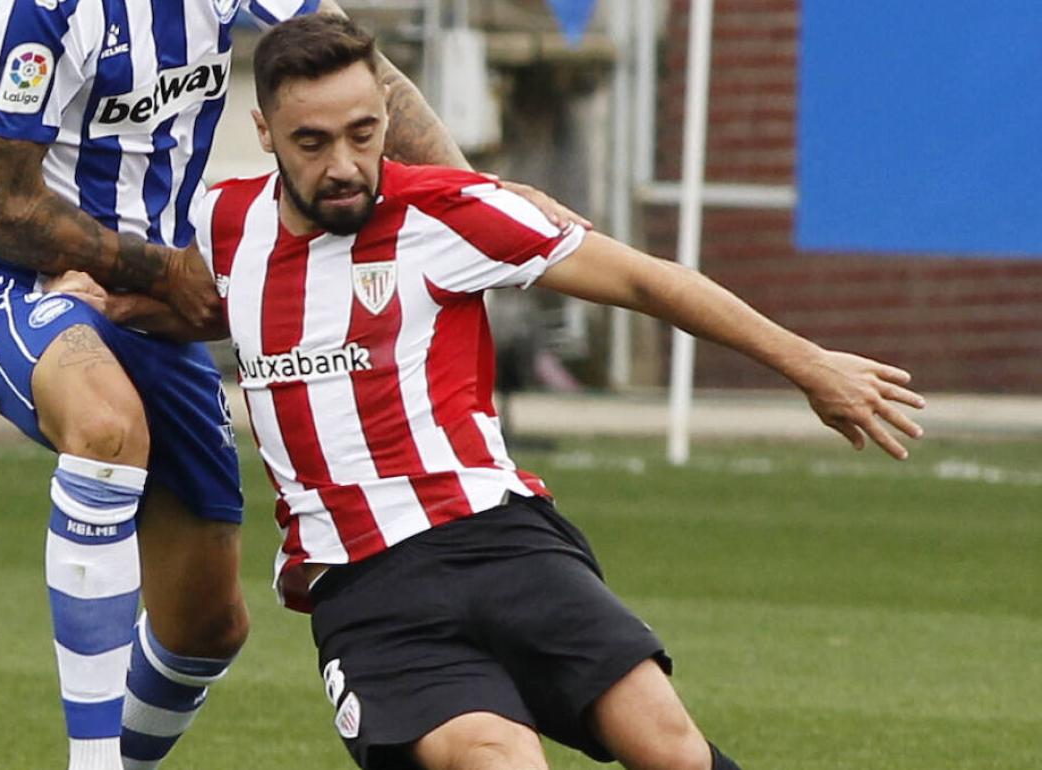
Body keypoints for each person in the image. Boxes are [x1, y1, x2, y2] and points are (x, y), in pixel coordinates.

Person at [53, 14, 925, 770]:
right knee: (500, 759)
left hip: (502, 541)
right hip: (366, 590)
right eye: (313, 143)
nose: (347, 164)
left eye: (364, 133)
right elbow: (198, 310)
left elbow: (652, 283)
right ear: (267, 132)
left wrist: (813, 366)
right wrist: (81, 308)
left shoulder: (453, 213)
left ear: (385, 117)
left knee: (666, 745)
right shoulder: (222, 223)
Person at [0, 3, 587, 769]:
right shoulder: (36, 11)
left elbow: (362, 75)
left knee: (207, 626)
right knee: (107, 428)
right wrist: (165, 271)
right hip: (16, 286)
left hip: (152, 299)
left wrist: (472, 200)